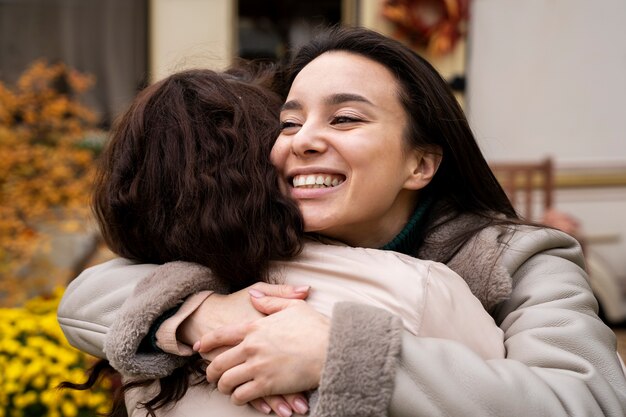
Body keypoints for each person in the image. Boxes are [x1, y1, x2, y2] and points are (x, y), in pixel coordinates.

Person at [59, 26, 626, 417]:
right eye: (289, 122)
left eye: (346, 117)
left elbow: (586, 401)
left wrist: (341, 351)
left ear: (421, 162)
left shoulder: (513, 259)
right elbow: (91, 294)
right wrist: (205, 312)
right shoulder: (262, 242)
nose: (304, 140)